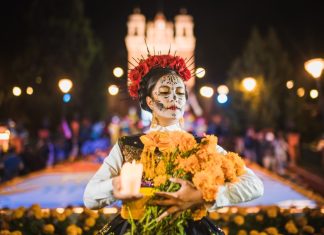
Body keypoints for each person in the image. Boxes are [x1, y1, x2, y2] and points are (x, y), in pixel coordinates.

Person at [83, 54, 264, 234]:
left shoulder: (202, 146)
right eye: (164, 92)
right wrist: (117, 185)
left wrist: (203, 195)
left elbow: (255, 185)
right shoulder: (128, 145)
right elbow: (90, 198)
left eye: (179, 93)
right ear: (149, 101)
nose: (174, 98)